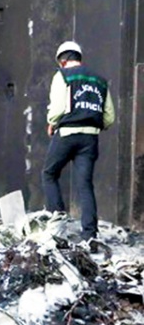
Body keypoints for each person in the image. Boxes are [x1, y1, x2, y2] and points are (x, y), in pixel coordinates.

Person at [42, 41, 115, 241]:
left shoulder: (62, 75)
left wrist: (52, 123)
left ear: (62, 61)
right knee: (85, 184)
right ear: (79, 58)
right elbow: (109, 117)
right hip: (90, 138)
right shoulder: (100, 79)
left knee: (49, 174)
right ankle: (90, 235)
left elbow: (56, 109)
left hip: (67, 134)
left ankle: (58, 227)